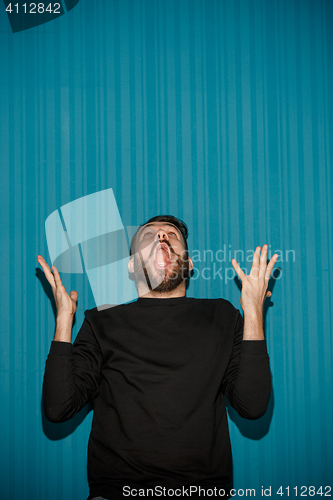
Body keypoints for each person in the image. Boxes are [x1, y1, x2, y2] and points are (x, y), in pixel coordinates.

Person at [38, 215, 278, 500]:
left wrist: (252, 311)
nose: (161, 238)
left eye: (171, 235)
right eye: (148, 236)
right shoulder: (101, 322)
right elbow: (58, 408)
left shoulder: (222, 317)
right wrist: (64, 320)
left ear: (189, 263)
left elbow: (252, 405)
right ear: (131, 266)